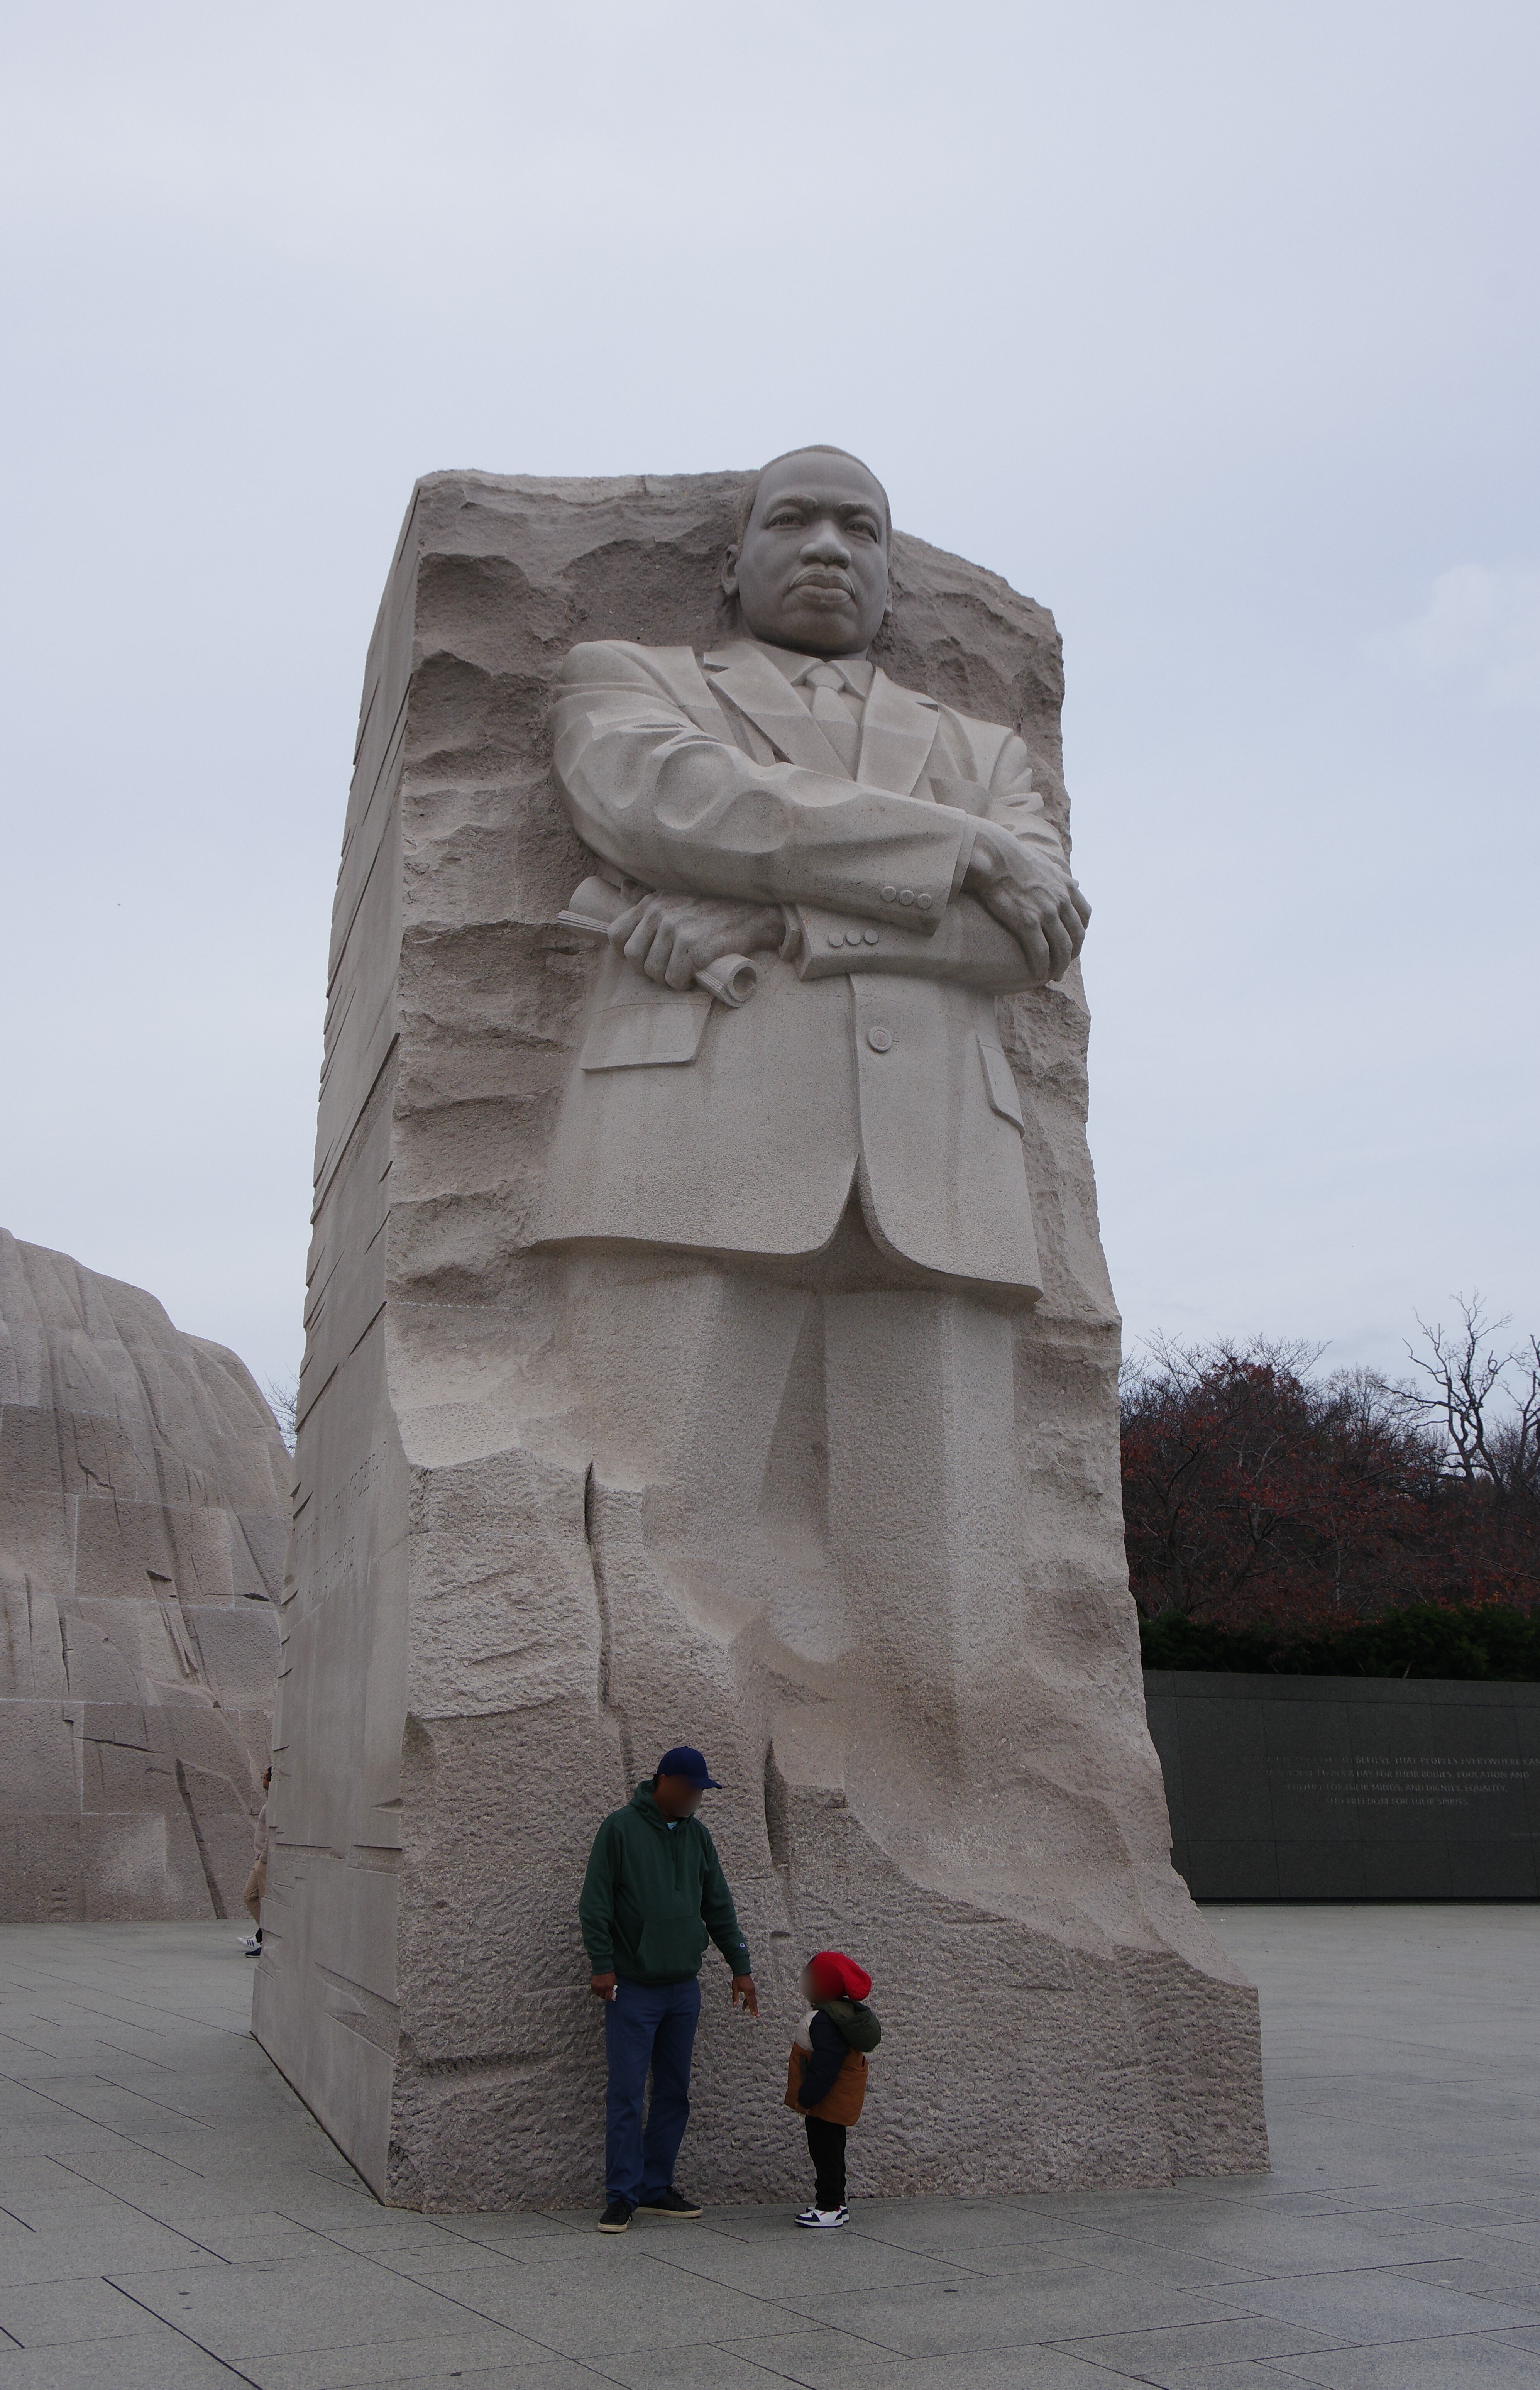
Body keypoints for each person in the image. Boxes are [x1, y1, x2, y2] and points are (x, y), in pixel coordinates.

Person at [534, 445, 1093, 1861]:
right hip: (686, 1153)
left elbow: (1025, 935)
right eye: (793, 519)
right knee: (664, 1541)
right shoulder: (629, 679)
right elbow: (666, 804)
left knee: (950, 1585)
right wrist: (958, 850)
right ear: (731, 563)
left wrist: (778, 920)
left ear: (893, 576)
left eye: (861, 526)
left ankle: (956, 1870)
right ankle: (675, 1861)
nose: (830, 545)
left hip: (940, 1177)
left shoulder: (988, 750)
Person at [578, 1745, 759, 2233]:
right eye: (691, 1788)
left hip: (683, 1988)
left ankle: (655, 2187)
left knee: (675, 2091)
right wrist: (602, 1964)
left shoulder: (699, 1836)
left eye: (702, 1791)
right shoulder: (620, 1829)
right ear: (664, 1782)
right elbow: (595, 1902)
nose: (697, 1797)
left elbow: (718, 1905)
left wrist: (740, 1966)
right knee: (626, 2092)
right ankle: (621, 2195)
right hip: (633, 1989)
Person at [785, 1948, 879, 2228]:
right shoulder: (836, 2014)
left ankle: (829, 2206)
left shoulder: (824, 2020)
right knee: (833, 2150)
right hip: (832, 2100)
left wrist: (807, 2097)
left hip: (825, 2101)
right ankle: (838, 2203)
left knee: (825, 2152)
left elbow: (826, 2064)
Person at [238, 1764, 271, 1956]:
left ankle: (268, 1940)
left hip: (264, 1861)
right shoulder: (271, 1801)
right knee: (249, 1896)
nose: (262, 1780)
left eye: (264, 1777)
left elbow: (272, 1834)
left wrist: (263, 1859)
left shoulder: (276, 1803)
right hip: (260, 1860)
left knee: (264, 1901)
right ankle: (265, 1935)